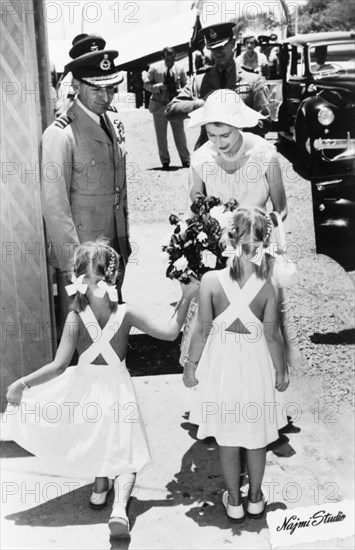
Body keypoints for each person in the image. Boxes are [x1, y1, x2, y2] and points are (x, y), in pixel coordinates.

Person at [5, 240, 198, 539]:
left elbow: (58, 365)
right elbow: (171, 332)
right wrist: (186, 297)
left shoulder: (74, 317)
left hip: (85, 390)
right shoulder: (126, 314)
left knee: (96, 437)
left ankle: (98, 489)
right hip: (117, 388)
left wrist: (21, 383)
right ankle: (119, 508)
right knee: (126, 451)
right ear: (114, 277)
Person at [183, 207, 289, 521]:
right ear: (265, 244)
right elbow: (273, 337)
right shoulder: (267, 287)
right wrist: (280, 370)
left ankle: (234, 502)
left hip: (223, 367)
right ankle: (255, 498)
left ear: (230, 239)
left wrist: (191, 364)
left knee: (228, 439)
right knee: (256, 439)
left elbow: (201, 329)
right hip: (255, 366)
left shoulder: (211, 281)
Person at [41, 34, 128, 333]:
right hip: (84, 259)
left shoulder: (113, 123)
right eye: (96, 89)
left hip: (114, 249)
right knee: (85, 336)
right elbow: (55, 206)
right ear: (76, 85)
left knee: (112, 329)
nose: (105, 97)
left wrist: (123, 244)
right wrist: (75, 265)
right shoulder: (61, 134)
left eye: (110, 89)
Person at [165, 22, 271, 145]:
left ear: (233, 43)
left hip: (242, 153)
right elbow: (170, 111)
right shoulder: (200, 80)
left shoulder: (253, 79)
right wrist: (198, 106)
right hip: (209, 153)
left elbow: (265, 123)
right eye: (213, 48)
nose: (218, 52)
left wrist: (237, 117)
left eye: (221, 46)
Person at [143, 47, 190, 170]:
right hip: (159, 105)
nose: (170, 61)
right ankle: (165, 161)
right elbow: (146, 85)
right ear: (163, 58)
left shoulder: (180, 68)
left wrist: (178, 91)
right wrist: (158, 87)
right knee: (161, 136)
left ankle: (186, 160)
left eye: (172, 59)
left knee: (180, 134)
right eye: (168, 59)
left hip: (175, 105)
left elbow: (187, 85)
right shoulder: (154, 68)